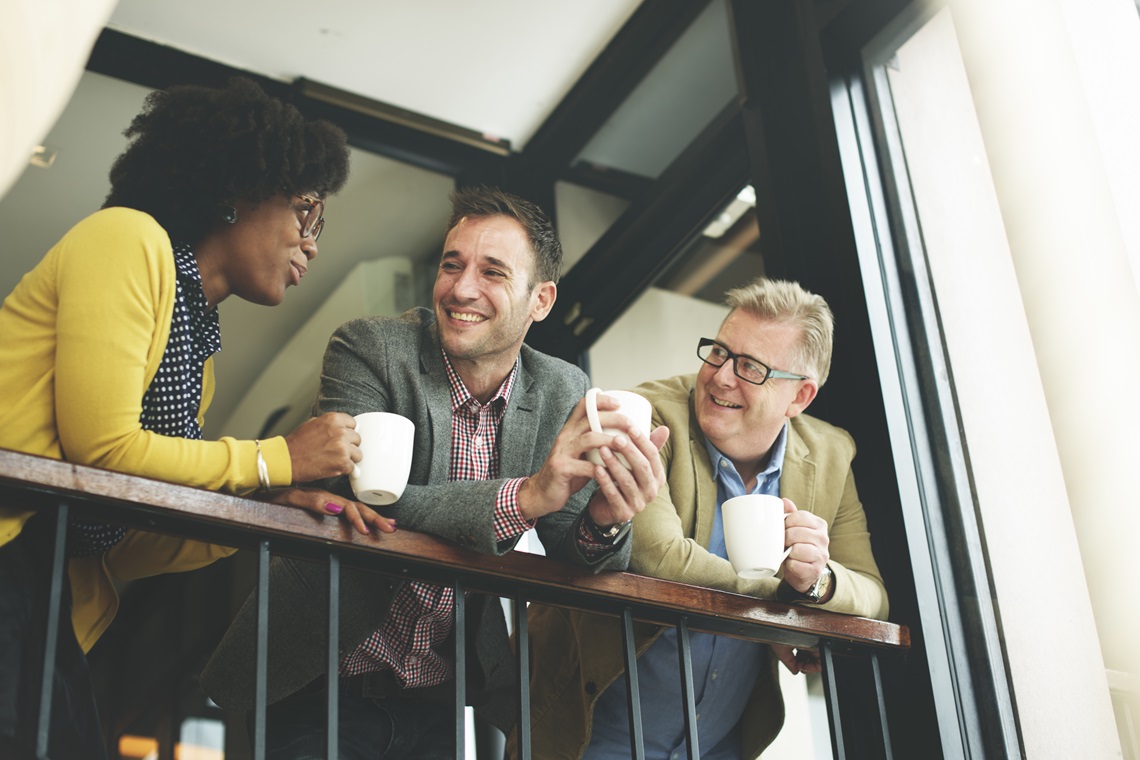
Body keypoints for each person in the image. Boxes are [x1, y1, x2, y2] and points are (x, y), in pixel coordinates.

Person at [0, 77, 395, 760]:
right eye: (305, 211)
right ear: (236, 191)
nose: (312, 242)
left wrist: (265, 507)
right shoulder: (126, 240)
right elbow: (103, 454)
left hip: (47, 595)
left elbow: (123, 537)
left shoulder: (196, 345)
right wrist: (275, 459)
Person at [201, 186, 670, 758]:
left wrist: (605, 518)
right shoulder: (370, 347)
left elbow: (574, 545)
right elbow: (365, 502)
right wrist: (523, 499)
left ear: (540, 300)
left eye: (492, 272)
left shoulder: (561, 387)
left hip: (443, 697)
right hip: (321, 675)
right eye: (453, 264)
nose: (461, 288)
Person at [518, 278, 890, 760]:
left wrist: (818, 582)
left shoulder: (831, 453)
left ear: (799, 398)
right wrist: (788, 603)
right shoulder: (648, 414)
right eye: (718, 352)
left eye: (751, 367)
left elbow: (871, 595)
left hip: (719, 744)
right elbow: (659, 559)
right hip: (590, 730)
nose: (721, 377)